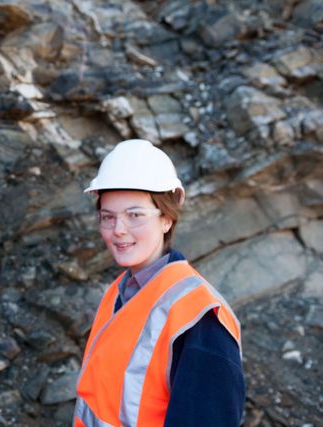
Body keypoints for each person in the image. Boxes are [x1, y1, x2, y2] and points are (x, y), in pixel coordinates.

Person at [73, 139, 245, 427]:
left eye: (135, 215)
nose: (118, 230)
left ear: (167, 219)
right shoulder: (118, 292)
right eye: (108, 217)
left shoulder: (200, 319)